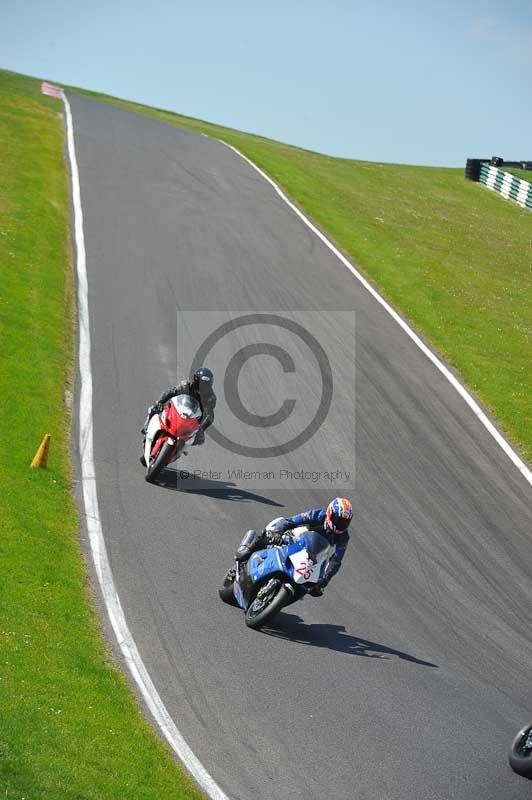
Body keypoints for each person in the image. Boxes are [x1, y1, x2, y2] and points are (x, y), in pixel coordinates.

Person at [234, 497, 353, 595]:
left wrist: (324, 581)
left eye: (344, 522)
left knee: (311, 584)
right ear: (329, 513)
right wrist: (277, 533)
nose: (340, 524)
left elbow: (336, 561)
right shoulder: (319, 515)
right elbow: (292, 521)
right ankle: (249, 549)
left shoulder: (344, 537)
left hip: (312, 556)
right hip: (296, 541)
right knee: (269, 532)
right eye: (338, 519)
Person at [140, 367, 216, 464]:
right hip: (177, 412)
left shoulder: (211, 397)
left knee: (198, 439)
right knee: (154, 409)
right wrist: (159, 402)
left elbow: (210, 416)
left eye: (206, 385)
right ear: (196, 381)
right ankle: (147, 429)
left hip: (192, 422)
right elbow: (171, 392)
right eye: (202, 384)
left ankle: (177, 452)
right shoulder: (186, 386)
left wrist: (202, 428)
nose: (204, 388)